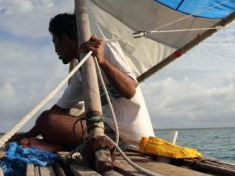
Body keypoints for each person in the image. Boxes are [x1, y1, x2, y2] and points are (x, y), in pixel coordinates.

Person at [17, 13, 154, 151]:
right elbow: (58, 110)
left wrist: (102, 61)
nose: (55, 49)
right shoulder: (80, 74)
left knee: (47, 121)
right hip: (100, 130)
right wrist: (23, 136)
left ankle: (57, 146)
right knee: (47, 119)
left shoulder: (106, 47)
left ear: (64, 39)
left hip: (126, 137)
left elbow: (129, 91)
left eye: (55, 42)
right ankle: (55, 145)